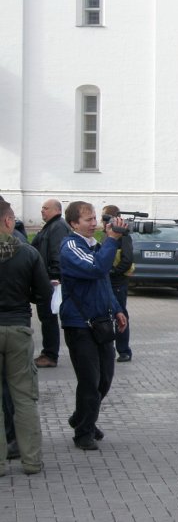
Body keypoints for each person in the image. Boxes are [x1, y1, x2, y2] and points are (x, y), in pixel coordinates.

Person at [60, 201, 128, 450]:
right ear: (73, 223)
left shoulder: (95, 245)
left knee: (105, 379)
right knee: (90, 380)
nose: (94, 223)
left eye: (93, 218)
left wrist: (117, 309)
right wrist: (112, 239)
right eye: (87, 219)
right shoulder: (70, 246)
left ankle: (82, 417)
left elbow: (103, 280)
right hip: (79, 323)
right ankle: (83, 432)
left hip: (101, 320)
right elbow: (96, 267)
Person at [0, 200, 52, 474]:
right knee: (24, 397)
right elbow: (43, 294)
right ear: (9, 222)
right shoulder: (28, 253)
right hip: (18, 329)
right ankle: (31, 461)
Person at [32, 199, 71, 368]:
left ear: (56, 210)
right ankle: (48, 353)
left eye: (45, 208)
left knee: (49, 318)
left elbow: (57, 253)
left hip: (50, 281)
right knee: (47, 318)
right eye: (42, 208)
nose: (42, 211)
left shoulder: (58, 227)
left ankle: (50, 355)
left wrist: (52, 277)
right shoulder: (50, 226)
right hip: (45, 279)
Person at [101, 205, 134, 362]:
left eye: (104, 217)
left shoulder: (123, 235)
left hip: (118, 282)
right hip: (107, 280)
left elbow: (127, 259)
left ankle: (124, 350)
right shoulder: (106, 235)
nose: (102, 221)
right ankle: (109, 348)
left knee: (120, 313)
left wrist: (113, 272)